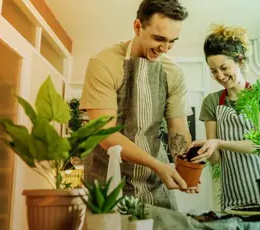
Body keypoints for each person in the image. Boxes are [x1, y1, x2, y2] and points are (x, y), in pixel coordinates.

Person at [79, 0, 195, 211]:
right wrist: (157, 165)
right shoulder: (104, 63)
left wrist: (187, 165)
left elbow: (178, 129)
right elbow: (105, 133)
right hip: (107, 181)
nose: (165, 48)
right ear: (137, 27)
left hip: (154, 183)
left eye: (172, 42)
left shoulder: (174, 73)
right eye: (159, 39)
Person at [187, 24, 260, 211]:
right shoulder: (212, 102)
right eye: (213, 71)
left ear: (239, 61)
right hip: (234, 196)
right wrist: (204, 149)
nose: (220, 76)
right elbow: (215, 159)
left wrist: (218, 142)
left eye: (224, 68)